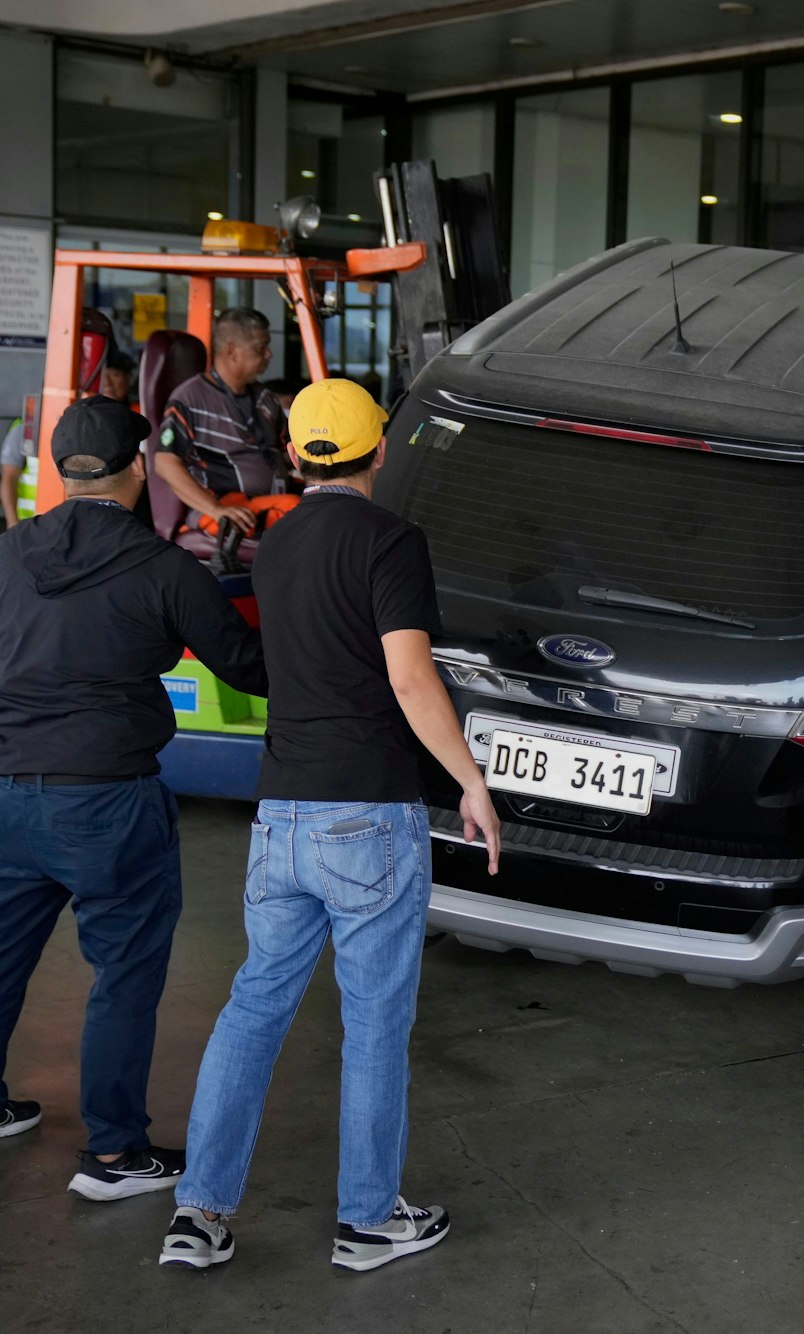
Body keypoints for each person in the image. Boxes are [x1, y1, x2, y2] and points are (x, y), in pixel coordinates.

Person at [161, 378, 500, 1274]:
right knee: (375, 1022)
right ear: (379, 451)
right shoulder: (391, 540)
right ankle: (366, 1219)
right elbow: (410, 679)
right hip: (368, 814)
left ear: (298, 456)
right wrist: (469, 778)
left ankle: (198, 1212)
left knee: (253, 1006)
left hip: (282, 813)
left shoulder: (276, 547)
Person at [0, 396, 266, 1194]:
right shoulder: (164, 568)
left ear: (55, 470)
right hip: (109, 803)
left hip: (8, 793)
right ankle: (113, 1155)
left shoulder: (8, 554)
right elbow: (248, 670)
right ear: (139, 470)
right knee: (123, 974)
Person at [151, 307, 291, 540]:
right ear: (231, 351)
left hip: (269, 504)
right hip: (227, 510)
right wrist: (215, 509)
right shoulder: (190, 399)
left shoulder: (265, 398)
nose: (269, 355)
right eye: (260, 347)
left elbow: (289, 450)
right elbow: (165, 462)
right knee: (299, 515)